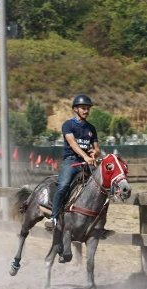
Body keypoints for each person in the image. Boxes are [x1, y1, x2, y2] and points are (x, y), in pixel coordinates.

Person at [44, 94, 101, 230]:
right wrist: (86, 157)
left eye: (87, 108)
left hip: (86, 163)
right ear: (75, 109)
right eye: (83, 108)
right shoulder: (68, 125)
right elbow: (73, 144)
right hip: (71, 162)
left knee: (101, 187)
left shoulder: (91, 128)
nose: (86, 111)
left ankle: (98, 222)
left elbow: (97, 147)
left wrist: (95, 152)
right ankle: (54, 217)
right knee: (63, 186)